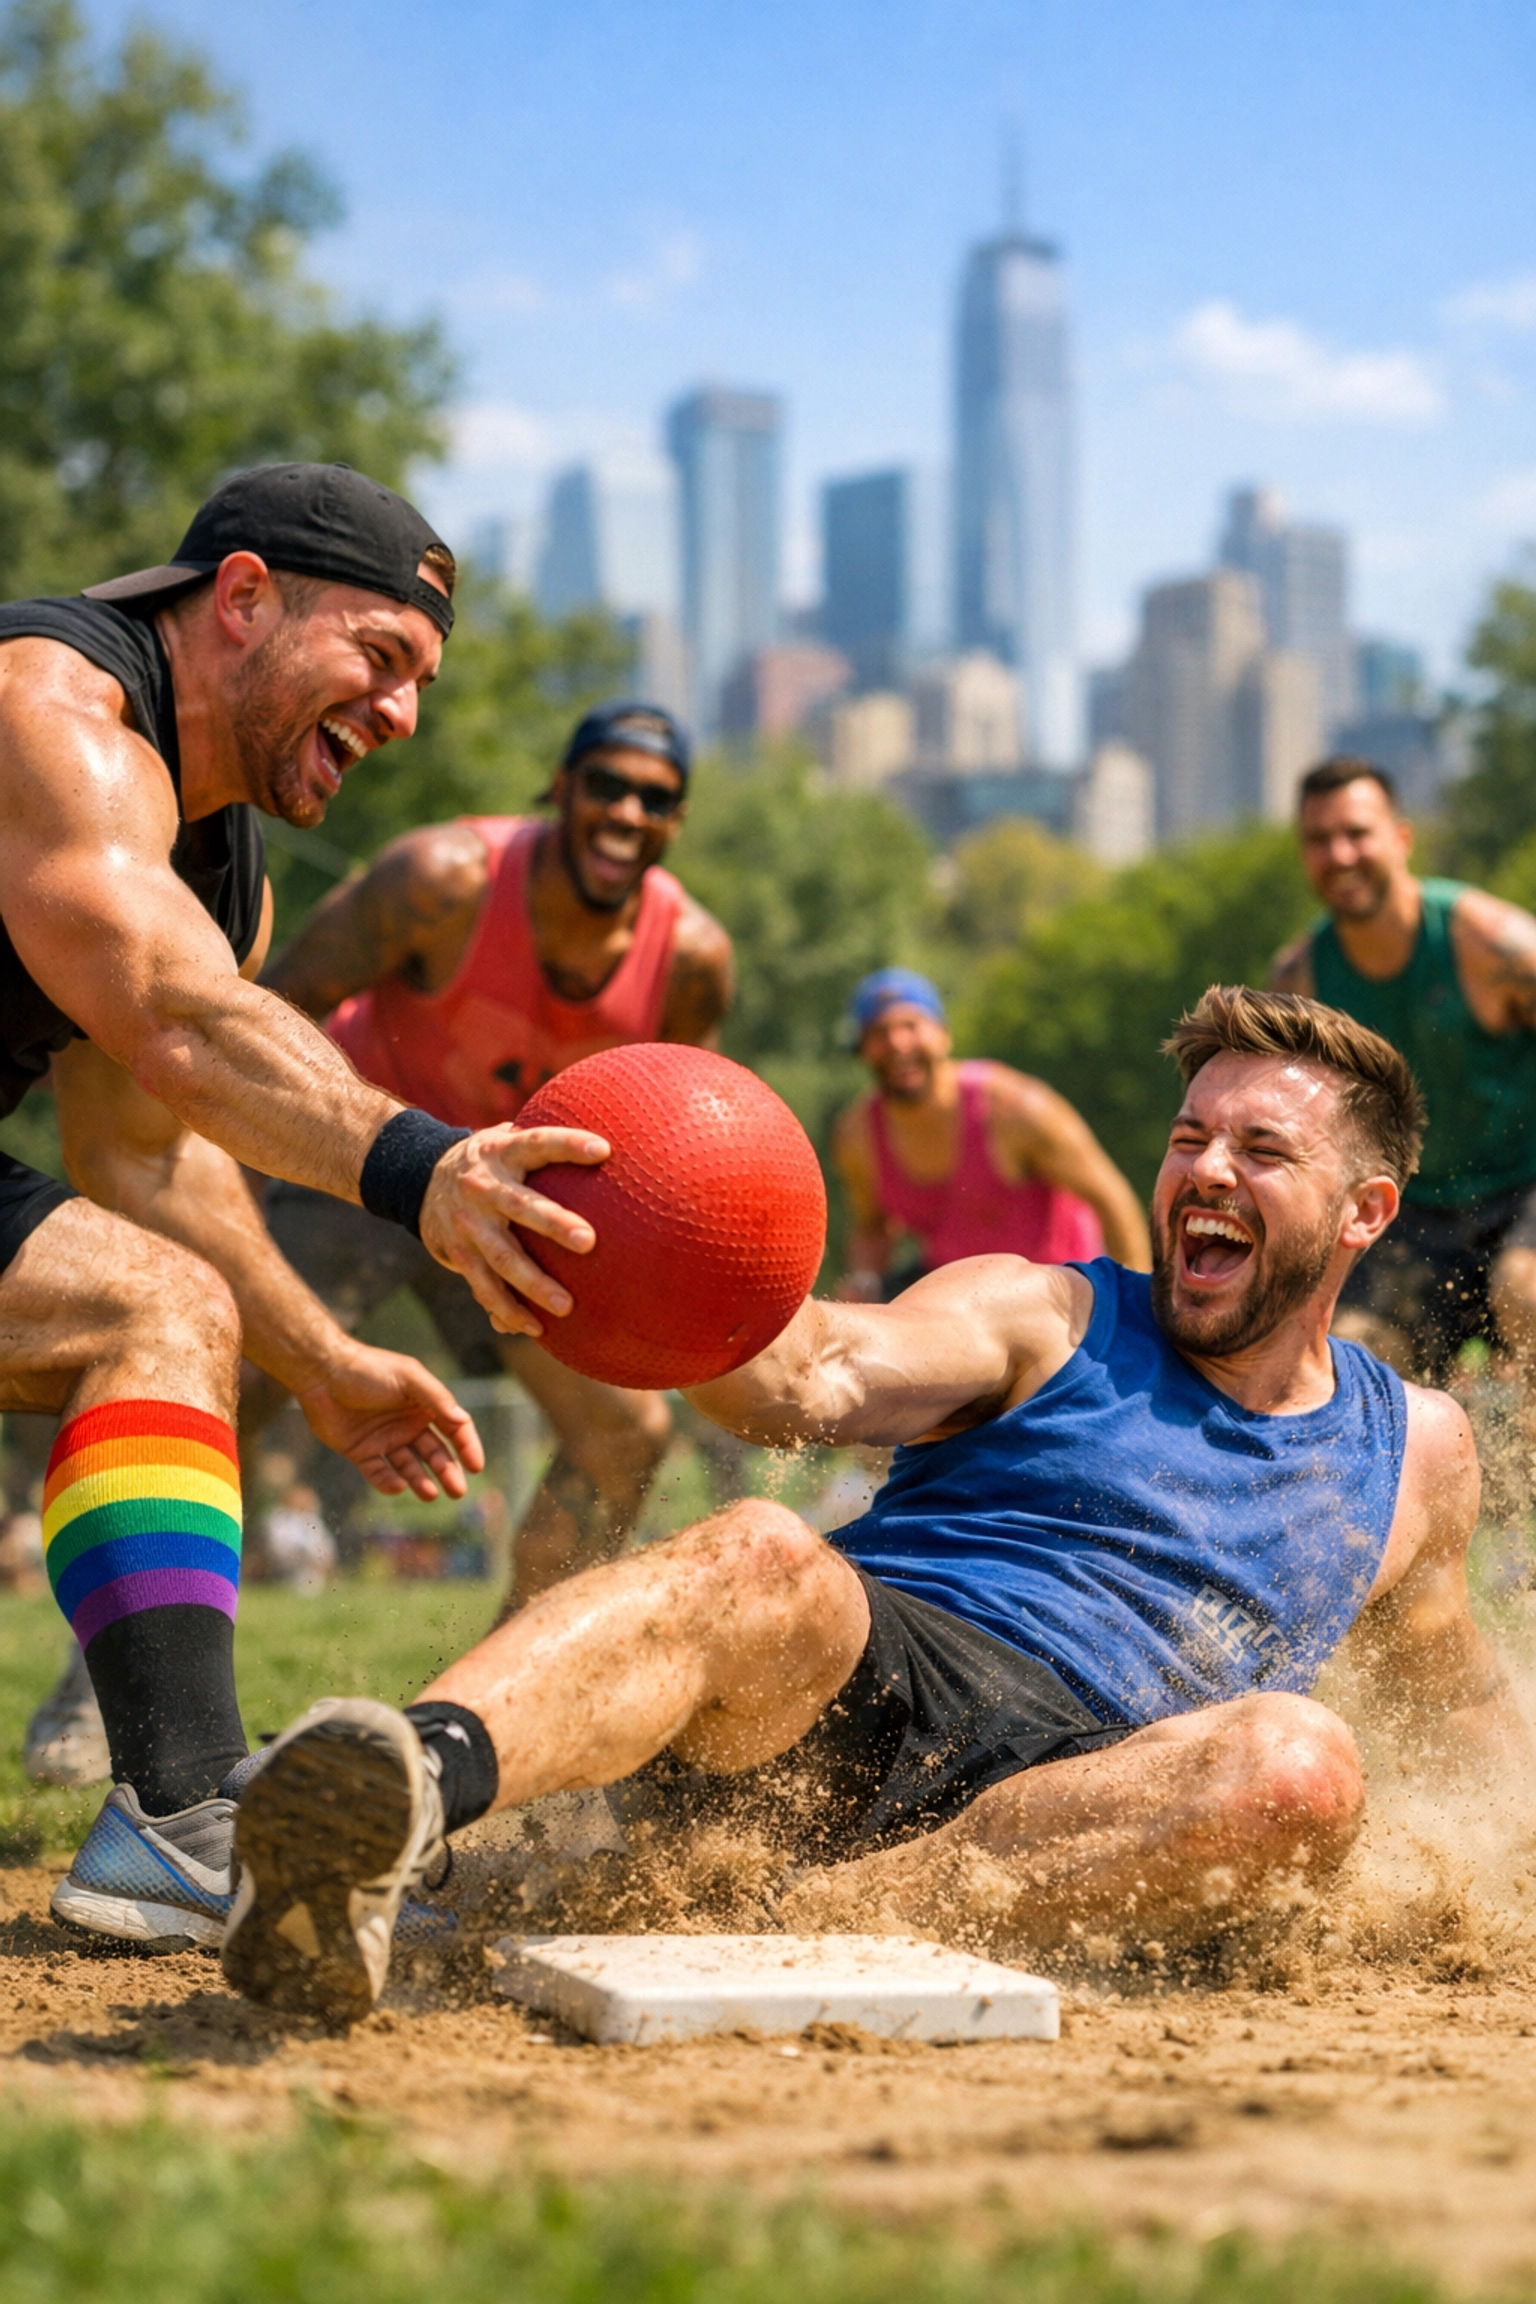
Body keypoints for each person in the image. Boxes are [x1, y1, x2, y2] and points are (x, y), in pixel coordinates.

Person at [220, 986, 1526, 2024]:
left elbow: (1453, 1688)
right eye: (1190, 1138)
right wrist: (626, 1273)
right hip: (850, 1694)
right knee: (762, 1548)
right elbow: (812, 1371)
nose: (1207, 1171)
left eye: (1261, 1148)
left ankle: (778, 1920)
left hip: (1098, 1812)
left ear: (1366, 1211)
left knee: (1298, 1767)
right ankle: (383, 1802)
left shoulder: (1417, 1449)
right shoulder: (1050, 1311)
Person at [0, 461, 610, 1948]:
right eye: (381, 656)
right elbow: (178, 1020)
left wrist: (322, 1364)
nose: (403, 715)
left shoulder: (227, 881)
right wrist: (426, 1164)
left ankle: (178, 1817)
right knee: (148, 1303)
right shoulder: (47, 711)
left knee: (151, 1306)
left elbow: (150, 1160)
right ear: (244, 598)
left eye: (420, 684)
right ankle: (182, 1814)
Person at [253, 700, 733, 1606]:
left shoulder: (692, 960)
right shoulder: (441, 880)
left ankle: (512, 1678)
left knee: (626, 1435)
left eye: (655, 799)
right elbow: (270, 1015)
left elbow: (680, 1130)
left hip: (515, 1212)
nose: (627, 813)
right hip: (357, 1165)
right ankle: (109, 1668)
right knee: (222, 1378)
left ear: (677, 821)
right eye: (606, 785)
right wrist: (234, 1192)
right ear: (561, 787)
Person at [1271, 756, 1536, 1383]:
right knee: (1351, 1352)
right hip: (1408, 1213)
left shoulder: (1490, 944)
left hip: (1526, 1186)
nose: (1340, 854)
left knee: (1525, 1292)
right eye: (1319, 839)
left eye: (1357, 833)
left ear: (1401, 838)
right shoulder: (1301, 984)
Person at [832, 968, 1150, 1296]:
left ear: (943, 1035)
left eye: (911, 1026)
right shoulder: (858, 1137)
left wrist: (1136, 1307)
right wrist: (864, 1282)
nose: (896, 1043)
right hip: (956, 1304)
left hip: (1059, 1295)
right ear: (861, 1049)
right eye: (879, 1032)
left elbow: (1113, 1202)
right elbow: (871, 1228)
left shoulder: (1015, 1110)